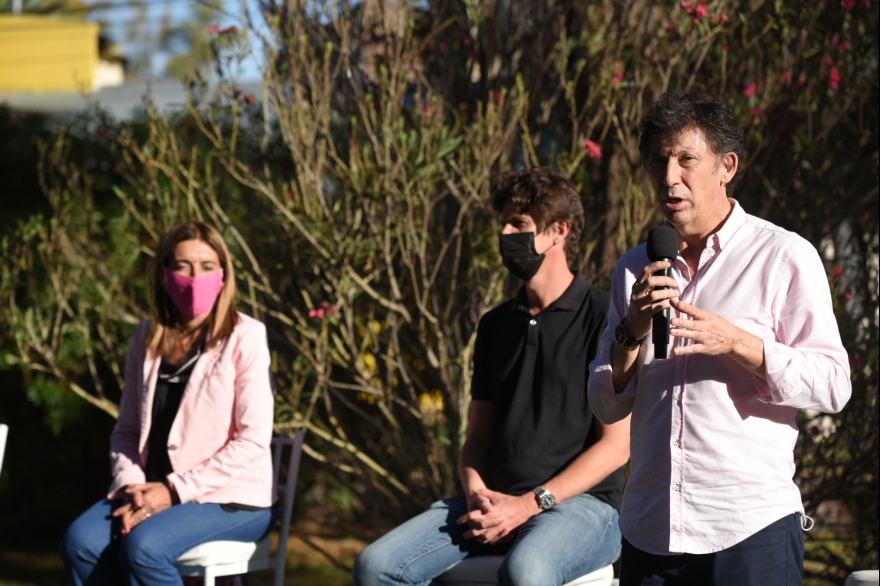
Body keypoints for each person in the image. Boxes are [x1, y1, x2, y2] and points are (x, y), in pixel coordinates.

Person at [588, 92, 852, 586]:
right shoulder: (634, 267)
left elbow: (834, 384)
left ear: (727, 165)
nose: (669, 177)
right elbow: (606, 405)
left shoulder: (782, 256)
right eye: (659, 161)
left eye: (686, 159)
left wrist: (738, 343)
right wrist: (632, 330)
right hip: (651, 530)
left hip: (747, 528)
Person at [354, 168, 630, 586]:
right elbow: (477, 441)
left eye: (518, 224)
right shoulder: (495, 325)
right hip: (491, 502)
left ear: (559, 231)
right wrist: (475, 490)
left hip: (581, 507)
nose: (504, 234)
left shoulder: (604, 318)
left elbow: (616, 447)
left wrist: (528, 505)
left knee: (526, 572)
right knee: (375, 567)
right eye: (503, 222)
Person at [61, 221, 276, 586]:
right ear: (164, 274)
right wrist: (133, 489)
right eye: (183, 266)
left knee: (146, 548)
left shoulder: (247, 336)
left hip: (231, 499)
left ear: (224, 275)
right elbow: (127, 431)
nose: (196, 278)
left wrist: (173, 490)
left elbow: (252, 441)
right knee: (81, 542)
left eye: (207, 267)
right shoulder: (145, 337)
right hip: (151, 490)